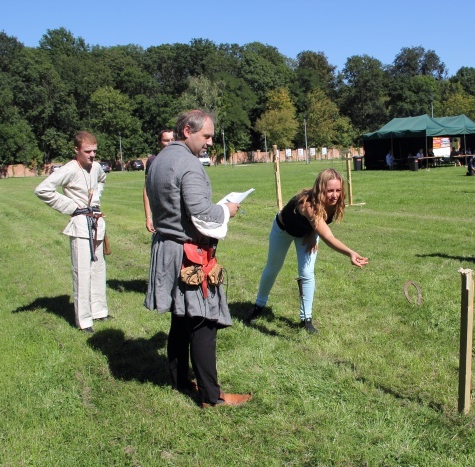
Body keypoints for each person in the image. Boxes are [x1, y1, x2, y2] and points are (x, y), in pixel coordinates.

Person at [144, 110, 251, 408]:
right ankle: (211, 396)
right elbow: (201, 213)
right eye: (206, 136)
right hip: (188, 254)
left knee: (181, 317)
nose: (210, 142)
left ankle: (179, 380)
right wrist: (226, 211)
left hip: (167, 247)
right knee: (204, 320)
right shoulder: (188, 165)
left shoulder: (158, 160)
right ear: (187, 130)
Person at [246, 168, 369, 333]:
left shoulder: (335, 204)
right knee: (273, 267)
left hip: (307, 233)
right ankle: (259, 305)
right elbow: (328, 237)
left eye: (338, 190)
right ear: (320, 190)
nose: (334, 195)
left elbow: (321, 223)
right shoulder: (308, 205)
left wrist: (312, 233)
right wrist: (350, 253)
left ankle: (306, 319)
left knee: (307, 272)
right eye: (329, 191)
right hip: (283, 230)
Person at [35, 131, 109, 333]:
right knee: (82, 272)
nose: (92, 155)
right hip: (80, 225)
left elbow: (102, 179)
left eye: (94, 151)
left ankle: (99, 310)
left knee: (98, 268)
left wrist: (96, 198)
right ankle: (84, 320)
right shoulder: (69, 169)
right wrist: (71, 206)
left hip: (96, 222)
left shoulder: (95, 168)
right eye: (87, 151)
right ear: (76, 150)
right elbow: (43, 190)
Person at [143, 129, 174, 233]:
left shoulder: (183, 159)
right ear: (159, 142)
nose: (170, 143)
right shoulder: (152, 161)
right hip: (161, 215)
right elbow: (147, 190)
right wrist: (148, 217)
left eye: (172, 139)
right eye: (166, 140)